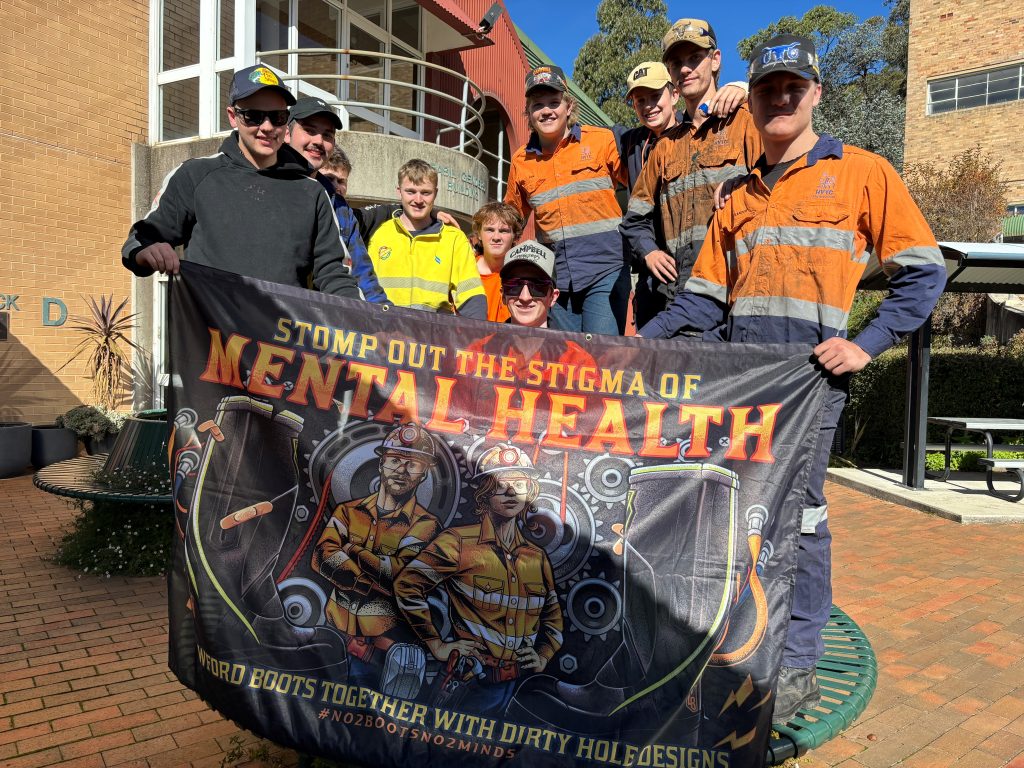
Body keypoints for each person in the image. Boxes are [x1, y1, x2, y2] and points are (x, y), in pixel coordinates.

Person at [637, 34, 946, 724]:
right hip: (742, 386)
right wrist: (631, 344)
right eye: (769, 88)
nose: (780, 98)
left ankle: (798, 663)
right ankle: (731, 645)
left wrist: (867, 344)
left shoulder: (863, 172)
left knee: (801, 522)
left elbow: (922, 271)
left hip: (809, 385)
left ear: (816, 94)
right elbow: (700, 301)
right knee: (733, 516)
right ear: (754, 99)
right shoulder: (736, 196)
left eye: (793, 88)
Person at [121, 65, 359, 299]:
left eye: (277, 117)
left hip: (280, 334)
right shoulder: (195, 174)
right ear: (233, 117)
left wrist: (364, 319)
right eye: (253, 116)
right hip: (209, 334)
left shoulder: (312, 192)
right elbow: (141, 239)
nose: (266, 127)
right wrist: (145, 251)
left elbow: (333, 272)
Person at [394, 444, 563, 716]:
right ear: (484, 493)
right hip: (469, 684)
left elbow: (553, 615)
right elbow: (407, 585)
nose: (510, 491)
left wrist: (543, 655)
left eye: (519, 483)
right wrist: (436, 645)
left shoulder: (536, 557)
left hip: (522, 687)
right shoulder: (458, 542)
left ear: (529, 491)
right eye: (500, 484)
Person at [621, 19, 763, 330]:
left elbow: (782, 185)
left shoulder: (747, 121)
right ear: (670, 74)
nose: (685, 69)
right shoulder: (666, 146)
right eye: (676, 62)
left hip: (738, 290)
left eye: (694, 58)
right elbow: (635, 218)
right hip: (680, 294)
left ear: (715, 60)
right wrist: (650, 252)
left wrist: (746, 89)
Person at [311, 422, 442, 689]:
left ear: (424, 474)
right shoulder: (348, 512)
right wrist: (370, 580)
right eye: (394, 460)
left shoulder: (426, 525)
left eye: (413, 464)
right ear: (381, 464)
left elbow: (400, 576)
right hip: (333, 638)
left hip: (385, 653)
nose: (402, 471)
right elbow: (323, 557)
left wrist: (352, 550)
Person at [504, 65, 629, 336]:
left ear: (569, 106)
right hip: (556, 278)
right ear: (529, 113)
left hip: (605, 270)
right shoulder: (521, 161)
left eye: (554, 102)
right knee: (567, 361)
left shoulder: (601, 141)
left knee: (600, 356)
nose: (546, 110)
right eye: (538, 105)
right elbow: (510, 218)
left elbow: (644, 180)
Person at [287, 97, 387, 303]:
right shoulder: (264, 181)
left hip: (318, 322)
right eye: (309, 130)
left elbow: (359, 271)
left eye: (327, 135)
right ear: (287, 133)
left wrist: (385, 316)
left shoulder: (339, 207)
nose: (318, 140)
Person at [367, 159, 487, 319]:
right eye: (410, 191)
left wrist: (473, 338)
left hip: (432, 339)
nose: (418, 200)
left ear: (435, 193)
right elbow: (364, 286)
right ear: (399, 192)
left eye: (425, 193)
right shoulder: (380, 234)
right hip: (384, 335)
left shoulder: (454, 239)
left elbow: (472, 297)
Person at [618, 60, 748, 190]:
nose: (648, 106)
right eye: (640, 100)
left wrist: (743, 88)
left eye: (655, 96)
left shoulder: (692, 128)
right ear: (634, 106)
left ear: (674, 95)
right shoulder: (629, 141)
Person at [471, 202, 525, 323]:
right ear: (479, 234)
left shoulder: (522, 277)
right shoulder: (464, 270)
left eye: (504, 231)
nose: (496, 237)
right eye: (489, 230)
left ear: (515, 236)